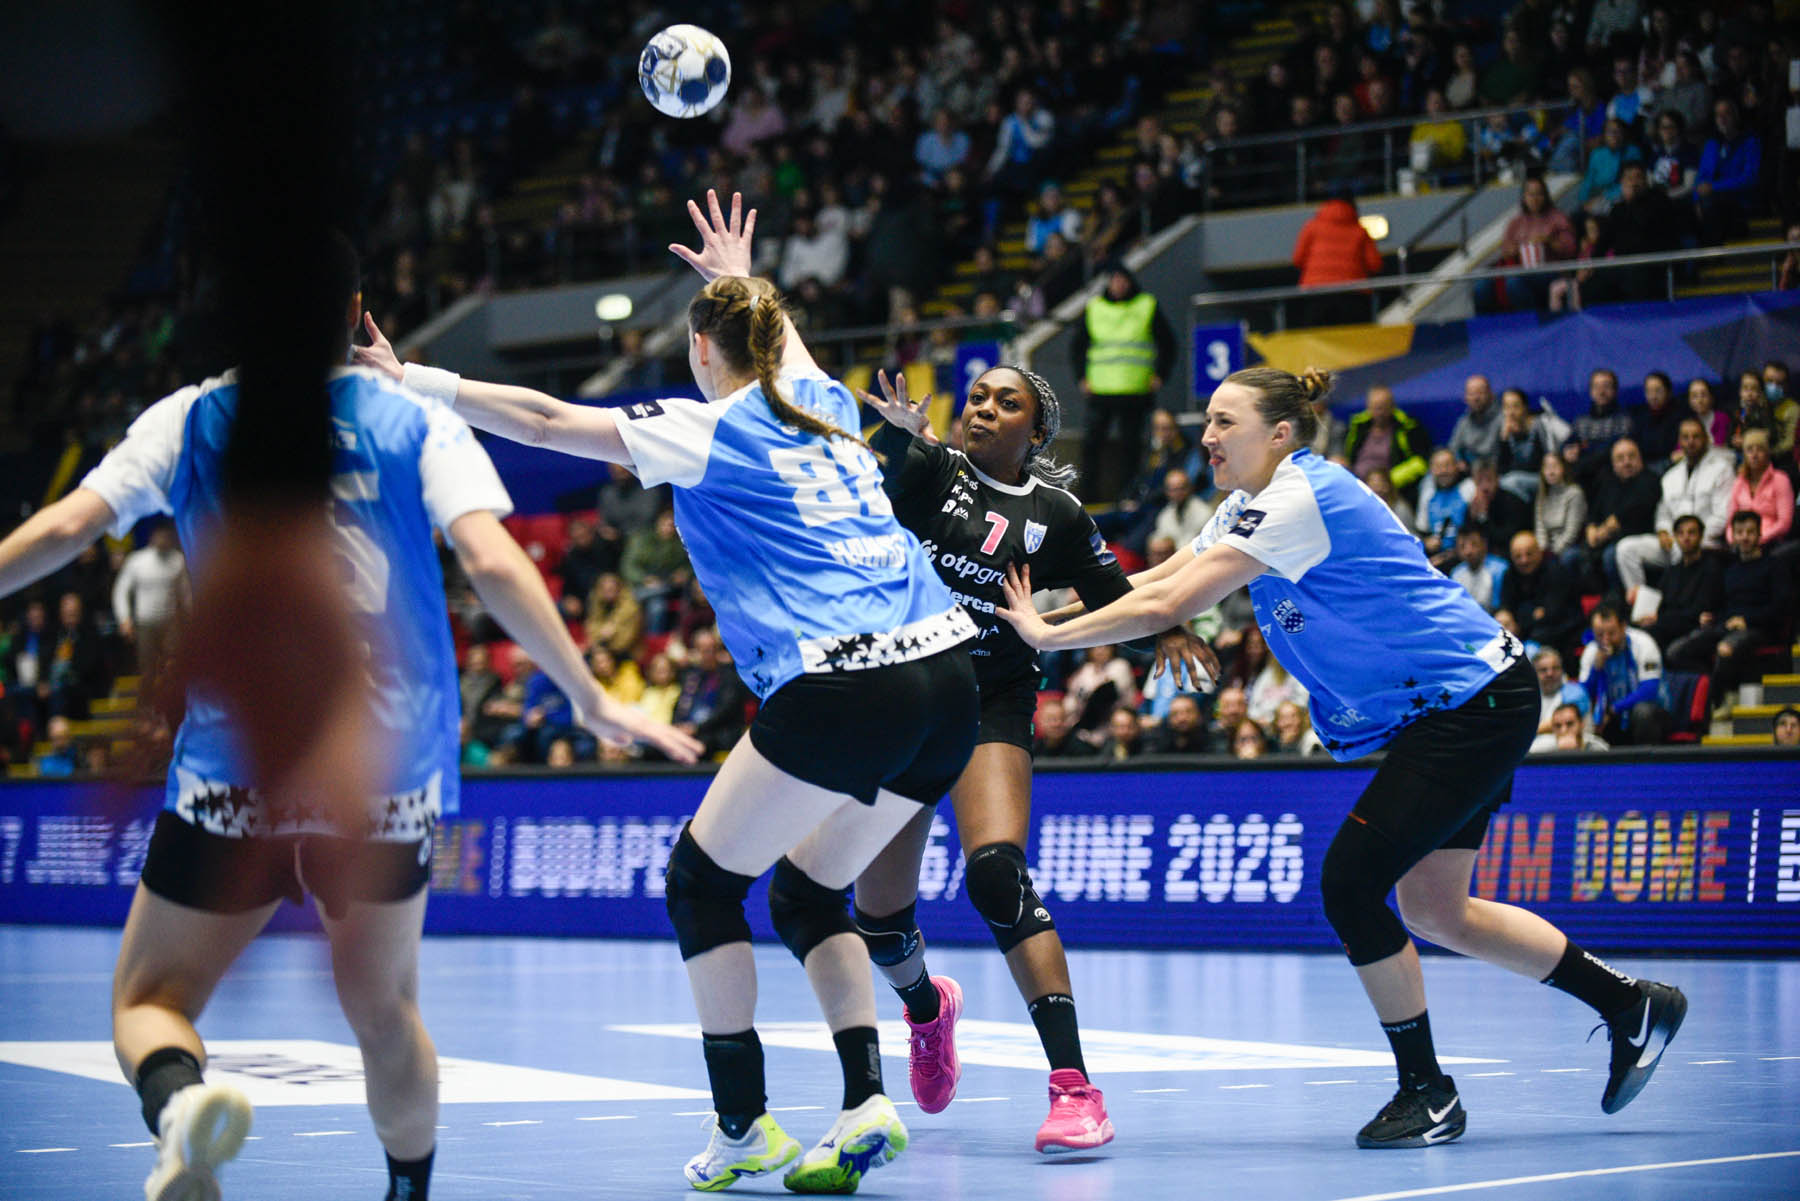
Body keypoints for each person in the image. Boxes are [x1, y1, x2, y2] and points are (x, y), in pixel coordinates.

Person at [0, 233, 698, 1201]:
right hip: (382, 772)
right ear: (357, 313)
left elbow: (69, 526)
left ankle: (180, 1105)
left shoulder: (190, 419)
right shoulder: (411, 420)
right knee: (384, 1011)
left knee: (150, 999)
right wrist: (588, 695)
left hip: (236, 770)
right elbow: (492, 562)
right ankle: (407, 1190)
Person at [361, 191, 982, 1193]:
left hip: (845, 678)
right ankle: (867, 1100)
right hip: (950, 676)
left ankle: (744, 1126)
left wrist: (413, 380)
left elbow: (547, 420)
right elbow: (781, 343)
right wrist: (744, 280)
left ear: (700, 350)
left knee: (701, 883)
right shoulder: (825, 401)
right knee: (806, 890)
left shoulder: (707, 426)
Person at [995, 364, 1686, 1149]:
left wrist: (1044, 636)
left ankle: (1427, 1091)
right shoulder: (1246, 505)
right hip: (1463, 699)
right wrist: (1039, 612)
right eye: (1207, 421)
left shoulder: (1298, 499)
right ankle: (1631, 1005)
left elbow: (1166, 604)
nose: (1207, 436)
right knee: (1436, 909)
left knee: (1351, 883)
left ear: (1279, 433)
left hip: (1471, 703)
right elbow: (1155, 577)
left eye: (1224, 422)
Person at [1666, 511, 1794, 716]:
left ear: (1760, 534)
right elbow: (1722, 604)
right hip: (1727, 625)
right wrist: (1712, 617)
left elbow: (1781, 607)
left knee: (1726, 649)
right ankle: (1716, 685)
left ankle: (1718, 701)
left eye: (1750, 532)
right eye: (1740, 532)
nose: (1745, 537)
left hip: (1761, 627)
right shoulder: (1729, 569)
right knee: (1676, 651)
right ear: (1733, 536)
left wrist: (1747, 620)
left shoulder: (1774, 566)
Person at [1072, 262, 1178, 499]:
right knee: (1091, 445)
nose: (1118, 285)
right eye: (1114, 280)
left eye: (1122, 280)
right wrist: (1081, 377)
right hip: (1101, 390)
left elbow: (1168, 343)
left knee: (1131, 447)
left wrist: (1161, 374)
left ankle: (1128, 496)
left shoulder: (1146, 305)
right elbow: (1077, 346)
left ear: (1130, 282)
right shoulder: (1095, 307)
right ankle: (1087, 496)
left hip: (1135, 390)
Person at [1615, 418, 1735, 593]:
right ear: (1680, 442)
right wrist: (1663, 531)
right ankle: (1641, 604)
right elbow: (1663, 513)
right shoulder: (1671, 476)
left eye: (1696, 437)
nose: (1690, 442)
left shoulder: (1722, 469)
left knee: (1682, 548)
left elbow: (1723, 515)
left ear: (1706, 439)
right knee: (1626, 549)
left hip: (1707, 542)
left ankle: (1676, 604)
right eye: (1685, 437)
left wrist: (1692, 536)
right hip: (1674, 542)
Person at [111, 519, 189, 711]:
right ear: (152, 537)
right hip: (145, 624)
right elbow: (121, 590)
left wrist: (191, 619)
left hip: (170, 624)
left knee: (172, 667)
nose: (163, 539)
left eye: (167, 536)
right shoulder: (137, 561)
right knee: (148, 670)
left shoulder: (178, 561)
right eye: (160, 536)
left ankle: (171, 708)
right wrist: (124, 618)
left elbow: (185, 594)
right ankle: (144, 709)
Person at [1581, 602, 1671, 745]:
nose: (1605, 640)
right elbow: (1583, 694)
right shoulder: (1592, 651)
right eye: (1599, 634)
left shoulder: (1643, 643)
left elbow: (1649, 690)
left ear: (1623, 627)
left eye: (1611, 633)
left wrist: (1613, 709)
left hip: (1653, 713)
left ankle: (1646, 758)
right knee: (1587, 716)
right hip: (1614, 716)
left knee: (1643, 712)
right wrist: (1596, 669)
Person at [1291, 188, 1383, 327]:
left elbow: (1297, 259)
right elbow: (1375, 264)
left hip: (1316, 295)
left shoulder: (1311, 227)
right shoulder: (1360, 231)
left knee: (1316, 336)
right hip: (1353, 295)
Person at [1636, 514, 1726, 650]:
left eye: (1691, 533)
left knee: (1650, 633)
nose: (1686, 537)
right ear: (1675, 537)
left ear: (1701, 536)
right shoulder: (1672, 570)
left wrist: (1660, 618)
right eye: (1680, 533)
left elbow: (1699, 611)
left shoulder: (1711, 569)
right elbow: (1661, 601)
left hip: (1693, 626)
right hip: (1668, 623)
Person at [1344, 385, 1428, 494]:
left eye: (1383, 407)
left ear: (1392, 406)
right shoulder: (1357, 426)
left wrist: (1390, 481)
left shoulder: (1408, 426)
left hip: (1390, 488)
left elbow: (1421, 462)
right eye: (1375, 407)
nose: (1380, 412)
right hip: (1357, 484)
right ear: (1368, 407)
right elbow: (1346, 456)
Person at [1728, 428, 1795, 548]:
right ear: (1744, 454)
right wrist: (1732, 539)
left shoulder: (1780, 479)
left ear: (1767, 453)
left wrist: (1758, 540)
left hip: (1771, 543)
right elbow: (1730, 520)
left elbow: (1784, 523)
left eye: (1760, 449)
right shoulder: (1739, 482)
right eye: (1749, 450)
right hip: (1742, 543)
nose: (1754, 455)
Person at [1447, 375, 1500, 473]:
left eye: (1480, 393)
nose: (1476, 398)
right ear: (1465, 398)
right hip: (1469, 472)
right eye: (1471, 394)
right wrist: (1458, 461)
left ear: (1491, 395)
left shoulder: (1503, 418)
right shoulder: (1463, 422)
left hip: (1496, 472)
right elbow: (1453, 448)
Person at [1531, 647, 1590, 734]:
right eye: (1543, 670)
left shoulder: (1575, 692)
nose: (1550, 674)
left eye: (1555, 668)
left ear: (1562, 670)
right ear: (1534, 674)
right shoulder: (1532, 696)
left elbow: (1560, 722)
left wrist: (1525, 732)